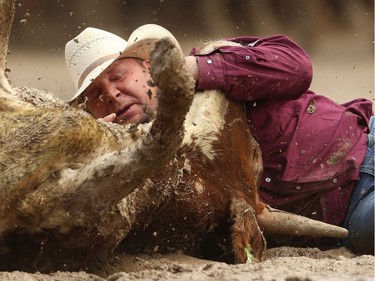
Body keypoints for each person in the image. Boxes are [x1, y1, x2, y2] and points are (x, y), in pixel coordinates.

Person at [65, 24, 374, 255]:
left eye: (117, 76)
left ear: (149, 67)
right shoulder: (133, 175)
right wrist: (108, 153)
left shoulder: (211, 64)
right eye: (95, 95)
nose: (111, 93)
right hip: (351, 215)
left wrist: (192, 70)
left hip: (366, 142)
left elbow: (296, 65)